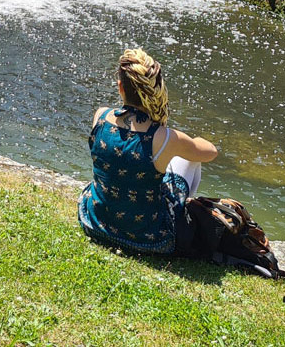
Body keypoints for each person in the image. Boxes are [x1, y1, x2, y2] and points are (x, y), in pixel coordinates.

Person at [78, 48, 219, 254]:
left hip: (95, 224)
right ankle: (182, 211)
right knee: (191, 160)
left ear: (120, 88)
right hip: (149, 238)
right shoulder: (166, 137)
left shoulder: (100, 116)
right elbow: (211, 152)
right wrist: (193, 140)